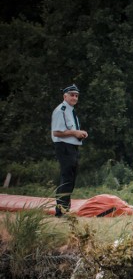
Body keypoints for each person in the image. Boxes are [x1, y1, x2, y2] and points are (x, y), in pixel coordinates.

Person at [51, 84, 88, 217]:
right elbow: (56, 132)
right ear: (64, 96)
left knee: (71, 179)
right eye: (71, 95)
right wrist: (75, 133)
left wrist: (80, 133)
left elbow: (70, 130)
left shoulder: (70, 110)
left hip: (72, 147)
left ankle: (65, 208)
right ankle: (61, 211)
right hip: (64, 146)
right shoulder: (60, 110)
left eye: (76, 95)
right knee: (66, 178)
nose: (74, 97)